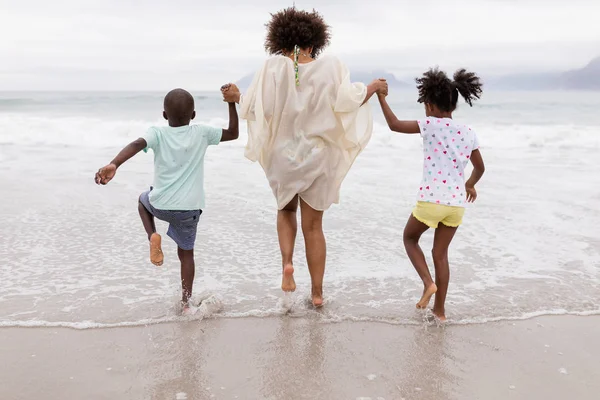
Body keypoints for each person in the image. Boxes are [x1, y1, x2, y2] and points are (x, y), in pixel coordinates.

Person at [221, 7, 387, 307]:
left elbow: (257, 108)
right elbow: (348, 100)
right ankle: (317, 293)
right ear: (314, 42)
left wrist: (236, 97)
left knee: (286, 212)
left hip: (282, 158)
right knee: (314, 227)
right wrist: (374, 87)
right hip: (318, 157)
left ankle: (287, 263)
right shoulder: (332, 66)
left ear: (280, 41)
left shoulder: (272, 67)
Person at [95, 88, 239, 314]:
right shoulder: (202, 132)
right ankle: (185, 304)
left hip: (160, 204)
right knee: (186, 254)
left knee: (143, 201)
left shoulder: (157, 133)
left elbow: (136, 144)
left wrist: (115, 164)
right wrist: (231, 103)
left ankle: (152, 234)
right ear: (193, 115)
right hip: (189, 209)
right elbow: (233, 133)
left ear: (164, 115)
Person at [377, 68, 486, 321]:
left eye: (426, 104)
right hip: (455, 205)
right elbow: (480, 167)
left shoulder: (429, 125)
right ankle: (440, 311)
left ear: (431, 106)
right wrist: (470, 184)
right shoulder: (468, 132)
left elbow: (394, 125)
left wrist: (380, 98)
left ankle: (427, 283)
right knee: (441, 254)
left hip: (431, 200)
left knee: (410, 239)